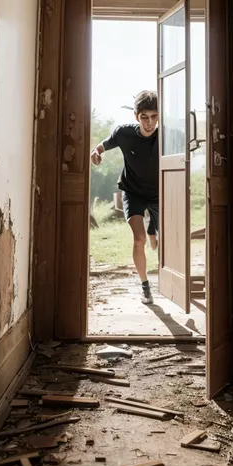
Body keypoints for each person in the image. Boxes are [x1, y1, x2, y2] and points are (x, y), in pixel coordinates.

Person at [91, 90, 159, 305]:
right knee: (139, 239)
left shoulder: (166, 135)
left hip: (159, 193)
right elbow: (103, 145)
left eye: (154, 117)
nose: (149, 123)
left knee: (157, 244)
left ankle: (153, 229)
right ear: (136, 117)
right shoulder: (123, 133)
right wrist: (96, 152)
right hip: (133, 191)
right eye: (144, 117)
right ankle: (145, 287)